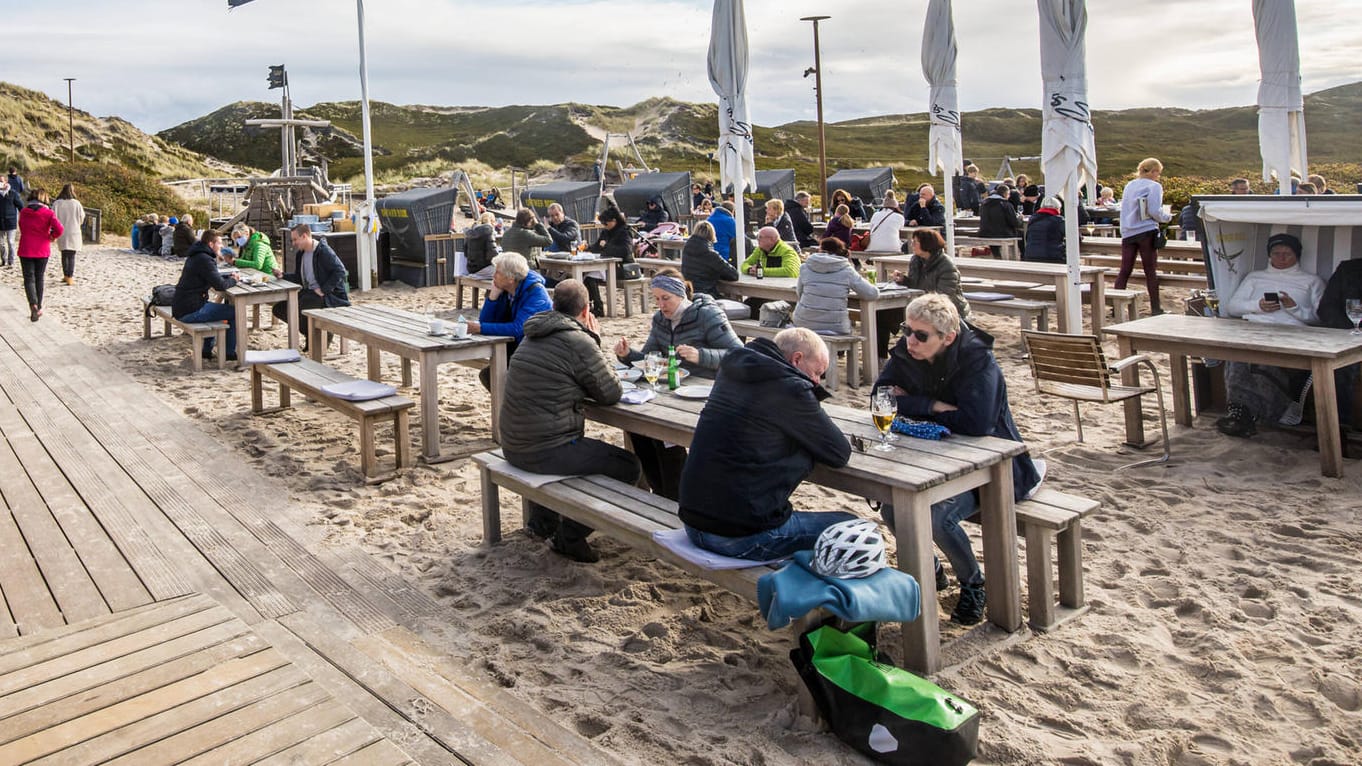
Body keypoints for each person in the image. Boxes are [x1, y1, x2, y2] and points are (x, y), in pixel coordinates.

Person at [874, 294, 1041, 624]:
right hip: (934, 461)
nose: (910, 340)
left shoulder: (978, 360)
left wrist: (913, 404)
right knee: (893, 507)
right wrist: (934, 406)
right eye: (907, 330)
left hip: (995, 469)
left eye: (921, 335)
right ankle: (931, 568)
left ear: (948, 337)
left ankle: (973, 583)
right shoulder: (907, 353)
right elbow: (880, 398)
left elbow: (978, 423)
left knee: (937, 516)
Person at [678, 327, 858, 560]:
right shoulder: (790, 387)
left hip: (692, 523)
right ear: (797, 359)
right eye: (817, 372)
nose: (816, 381)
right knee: (853, 528)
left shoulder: (732, 371)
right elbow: (839, 453)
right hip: (739, 537)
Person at [500, 279, 641, 563]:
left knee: (570, 444)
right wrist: (594, 339)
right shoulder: (578, 340)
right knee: (628, 466)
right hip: (543, 450)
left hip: (512, 443)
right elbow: (610, 392)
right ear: (586, 310)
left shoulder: (534, 333)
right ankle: (570, 537)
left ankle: (542, 523)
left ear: (554, 306)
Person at [614, 270, 743, 499]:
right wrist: (627, 355)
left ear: (680, 295)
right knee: (640, 429)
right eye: (656, 298)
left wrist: (701, 356)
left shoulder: (707, 315)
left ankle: (675, 495)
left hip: (707, 392)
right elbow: (649, 359)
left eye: (666, 298)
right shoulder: (660, 320)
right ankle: (662, 492)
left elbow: (740, 355)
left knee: (665, 437)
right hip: (672, 390)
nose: (661, 304)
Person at [1215, 233, 1327, 438]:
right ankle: (1241, 413)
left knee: (1260, 362)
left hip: (1292, 333)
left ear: (1297, 255)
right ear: (1269, 256)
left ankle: (1250, 413)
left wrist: (1294, 308)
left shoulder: (1311, 281)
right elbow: (1232, 307)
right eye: (1276, 253)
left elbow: (1321, 318)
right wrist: (1257, 306)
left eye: (1287, 253)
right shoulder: (1254, 277)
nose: (1282, 258)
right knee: (1237, 356)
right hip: (1255, 328)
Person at [468, 251, 552, 387]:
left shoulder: (536, 293)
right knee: (489, 375)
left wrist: (480, 328)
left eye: (498, 273)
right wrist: (492, 297)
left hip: (537, 351)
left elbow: (519, 328)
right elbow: (486, 321)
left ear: (511, 278)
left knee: (493, 376)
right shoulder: (504, 290)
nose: (493, 276)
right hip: (516, 347)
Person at [274, 224, 351, 348]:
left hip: (329, 296)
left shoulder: (322, 251)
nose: (293, 243)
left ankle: (319, 338)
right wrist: (283, 275)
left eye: (295, 239)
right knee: (280, 308)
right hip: (309, 291)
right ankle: (312, 334)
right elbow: (299, 278)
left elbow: (340, 271)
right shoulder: (301, 254)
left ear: (304, 236)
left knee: (303, 305)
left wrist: (324, 289)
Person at [1117, 158, 1174, 315]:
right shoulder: (1154, 186)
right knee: (1150, 271)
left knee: (1124, 270)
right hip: (1146, 230)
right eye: (1158, 173)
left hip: (1128, 230)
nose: (1158, 176)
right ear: (1154, 171)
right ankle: (1156, 308)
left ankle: (1116, 307)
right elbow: (1154, 210)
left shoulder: (1130, 185)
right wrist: (1167, 217)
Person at [171, 230, 240, 361]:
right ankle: (229, 353)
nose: (221, 246)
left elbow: (211, 277)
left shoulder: (197, 255)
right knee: (235, 312)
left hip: (183, 305)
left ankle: (207, 351)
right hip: (190, 310)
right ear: (211, 244)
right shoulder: (205, 259)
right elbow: (220, 286)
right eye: (219, 243)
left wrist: (226, 277)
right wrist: (234, 280)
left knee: (216, 310)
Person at [793, 237, 878, 336]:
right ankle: (840, 351)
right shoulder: (846, 270)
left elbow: (799, 293)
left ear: (820, 250)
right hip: (834, 326)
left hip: (804, 323)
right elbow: (871, 294)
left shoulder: (805, 267)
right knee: (848, 329)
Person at [1319, 258, 1362, 428]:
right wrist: (1350, 331)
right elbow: (1325, 308)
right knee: (1337, 365)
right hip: (1347, 337)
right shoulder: (1348, 269)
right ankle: (1337, 431)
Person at [17, 188, 63, 322]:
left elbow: (22, 226)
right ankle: (39, 306)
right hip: (42, 249)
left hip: (26, 248)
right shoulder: (48, 213)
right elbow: (60, 229)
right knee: (39, 278)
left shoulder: (24, 212)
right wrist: (51, 236)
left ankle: (33, 304)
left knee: (29, 278)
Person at [585, 205, 638, 316]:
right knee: (587, 277)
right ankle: (592, 305)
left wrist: (606, 246)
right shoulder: (606, 232)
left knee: (590, 277)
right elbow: (597, 246)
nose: (604, 225)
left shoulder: (624, 231)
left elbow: (625, 250)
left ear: (614, 221)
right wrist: (587, 247)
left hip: (622, 267)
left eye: (606, 223)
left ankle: (598, 306)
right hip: (606, 265)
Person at [680, 220, 738, 298]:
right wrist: (718, 273)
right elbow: (734, 275)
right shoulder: (710, 254)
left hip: (688, 294)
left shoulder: (686, 250)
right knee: (736, 304)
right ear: (712, 235)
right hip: (706, 295)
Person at [51, 183, 85, 285]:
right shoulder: (76, 203)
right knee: (71, 255)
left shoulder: (57, 203)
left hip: (61, 231)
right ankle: (70, 276)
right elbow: (82, 217)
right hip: (74, 231)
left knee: (64, 254)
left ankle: (66, 275)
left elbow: (53, 217)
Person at [977, 183, 1021, 257]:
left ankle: (997, 255)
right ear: (1005, 194)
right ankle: (1021, 256)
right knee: (1021, 234)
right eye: (1009, 194)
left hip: (985, 233)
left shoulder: (984, 204)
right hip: (1003, 234)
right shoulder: (1006, 204)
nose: (1009, 196)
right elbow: (1014, 222)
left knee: (992, 231)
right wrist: (1020, 219)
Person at [1023, 195, 1066, 264]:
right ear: (1057, 208)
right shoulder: (1059, 220)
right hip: (1052, 257)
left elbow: (1027, 237)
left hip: (1030, 256)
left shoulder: (1032, 219)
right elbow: (1075, 237)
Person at [462, 211, 498, 279]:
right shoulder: (488, 231)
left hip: (470, 269)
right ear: (491, 221)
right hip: (484, 269)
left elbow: (465, 253)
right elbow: (493, 254)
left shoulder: (470, 232)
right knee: (506, 273)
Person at [0, 176, 20, 267]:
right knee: (1, 243)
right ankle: (3, 259)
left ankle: (11, 261)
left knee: (10, 242)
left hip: (11, 222)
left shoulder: (13, 193)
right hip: (0, 223)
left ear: (5, 182)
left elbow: (20, 206)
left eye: (1, 181)